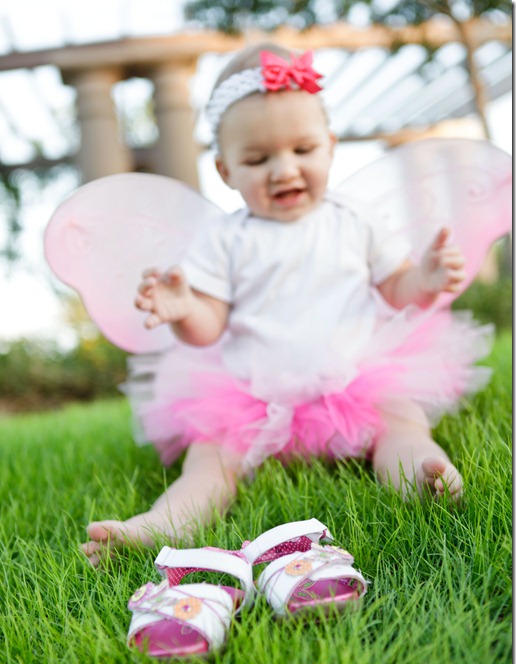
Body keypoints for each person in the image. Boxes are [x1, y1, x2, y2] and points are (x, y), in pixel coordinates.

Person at [82, 43, 491, 566]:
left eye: (303, 149)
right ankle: (162, 522)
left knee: (401, 421)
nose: (284, 169)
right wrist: (184, 309)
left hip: (353, 379)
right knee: (210, 459)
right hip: (252, 392)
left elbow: (397, 287)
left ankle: (420, 470)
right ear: (226, 170)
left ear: (330, 147)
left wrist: (426, 279)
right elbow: (210, 325)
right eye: (258, 159)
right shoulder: (224, 239)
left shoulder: (353, 220)